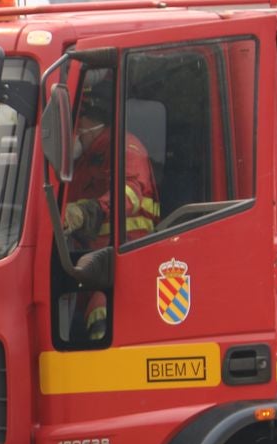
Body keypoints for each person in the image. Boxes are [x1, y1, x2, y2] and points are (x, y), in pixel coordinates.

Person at [62, 71, 161, 340]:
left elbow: (130, 194)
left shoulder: (125, 148)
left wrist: (86, 212)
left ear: (88, 121)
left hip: (123, 255)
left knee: (102, 312)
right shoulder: (86, 158)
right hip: (87, 260)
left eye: (77, 122)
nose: (73, 130)